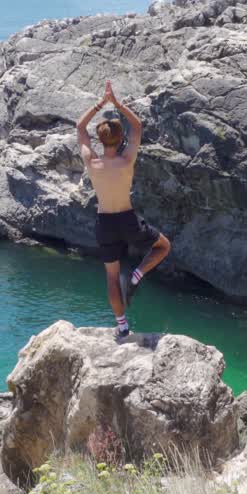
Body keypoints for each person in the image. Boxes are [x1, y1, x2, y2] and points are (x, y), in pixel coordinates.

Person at [76, 80, 171, 338]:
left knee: (111, 277)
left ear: (100, 139)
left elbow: (80, 127)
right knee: (163, 246)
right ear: (120, 140)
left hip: (104, 223)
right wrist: (117, 104)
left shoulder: (92, 162)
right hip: (128, 220)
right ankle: (138, 274)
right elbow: (137, 126)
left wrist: (100, 103)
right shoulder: (127, 159)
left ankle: (122, 325)